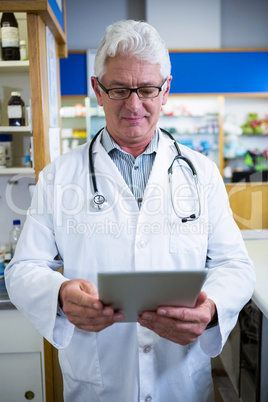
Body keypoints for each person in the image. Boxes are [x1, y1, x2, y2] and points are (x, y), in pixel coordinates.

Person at [5, 20, 255, 402]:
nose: (134, 105)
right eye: (120, 89)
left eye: (148, 89)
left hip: (181, 382)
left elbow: (235, 265)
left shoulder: (200, 172)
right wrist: (58, 295)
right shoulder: (59, 177)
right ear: (97, 91)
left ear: (166, 90)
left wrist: (213, 308)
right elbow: (24, 269)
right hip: (98, 381)